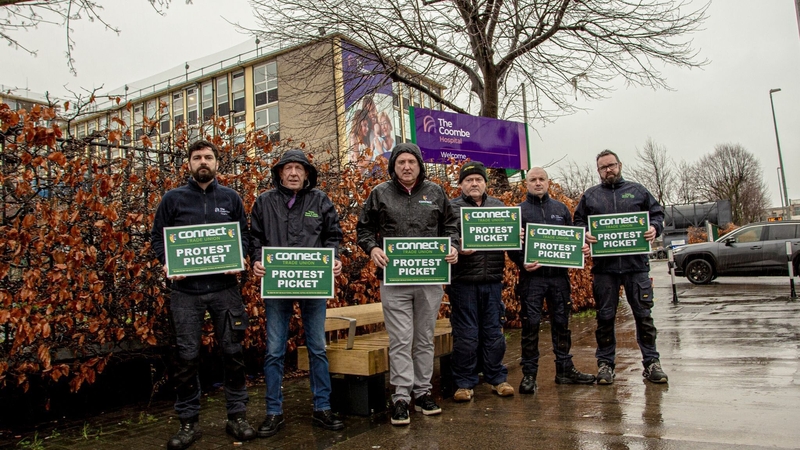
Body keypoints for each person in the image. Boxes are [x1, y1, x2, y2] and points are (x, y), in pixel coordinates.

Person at [150, 140, 255, 450]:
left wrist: (241, 255)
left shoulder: (231, 198)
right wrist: (168, 262)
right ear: (189, 163)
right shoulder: (172, 199)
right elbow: (158, 237)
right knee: (186, 357)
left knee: (233, 353)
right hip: (186, 292)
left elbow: (244, 234)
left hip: (225, 290)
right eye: (197, 157)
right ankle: (188, 423)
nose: (203, 161)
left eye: (208, 157)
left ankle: (237, 416)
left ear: (217, 163)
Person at [356, 143, 459, 426]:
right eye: (401, 162)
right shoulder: (380, 193)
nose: (406, 166)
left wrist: (453, 246)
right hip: (394, 279)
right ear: (393, 166)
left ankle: (423, 392)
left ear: (420, 165)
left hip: (429, 279)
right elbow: (363, 228)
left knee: (424, 338)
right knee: (401, 339)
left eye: (411, 161)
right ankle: (401, 397)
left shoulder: (436, 192)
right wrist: (372, 249)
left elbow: (451, 226)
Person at [249, 149, 345, 437]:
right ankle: (273, 412)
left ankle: (322, 408)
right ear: (280, 173)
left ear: (306, 173)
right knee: (274, 350)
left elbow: (333, 235)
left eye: (298, 168)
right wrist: (256, 259)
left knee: (317, 347)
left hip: (313, 284)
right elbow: (253, 236)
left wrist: (334, 258)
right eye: (288, 168)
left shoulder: (320, 200)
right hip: (277, 285)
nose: (293, 173)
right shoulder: (264, 202)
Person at [573, 150, 668, 385]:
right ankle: (605, 364)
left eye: (611, 165)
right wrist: (584, 233)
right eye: (603, 167)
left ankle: (652, 363)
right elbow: (577, 221)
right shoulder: (591, 196)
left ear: (620, 165)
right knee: (605, 318)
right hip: (604, 269)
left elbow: (657, 214)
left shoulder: (638, 191)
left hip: (635, 266)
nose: (608, 170)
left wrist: (655, 227)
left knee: (643, 315)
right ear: (598, 171)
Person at [510, 167, 596, 395]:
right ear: (525, 184)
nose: (538, 183)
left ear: (548, 182)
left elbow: (573, 239)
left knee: (562, 324)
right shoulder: (518, 211)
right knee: (530, 326)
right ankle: (529, 375)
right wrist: (522, 262)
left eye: (542, 179)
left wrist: (582, 248)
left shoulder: (560, 209)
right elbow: (511, 246)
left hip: (559, 278)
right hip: (532, 279)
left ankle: (565, 370)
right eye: (533, 180)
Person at [447, 161, 515, 402]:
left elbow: (510, 240)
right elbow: (446, 236)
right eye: (468, 180)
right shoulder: (451, 208)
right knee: (466, 335)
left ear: (485, 183)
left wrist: (521, 242)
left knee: (493, 333)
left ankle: (497, 378)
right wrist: (457, 246)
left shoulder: (498, 207)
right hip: (463, 282)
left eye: (478, 179)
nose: (474, 183)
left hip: (492, 281)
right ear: (461, 184)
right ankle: (464, 383)